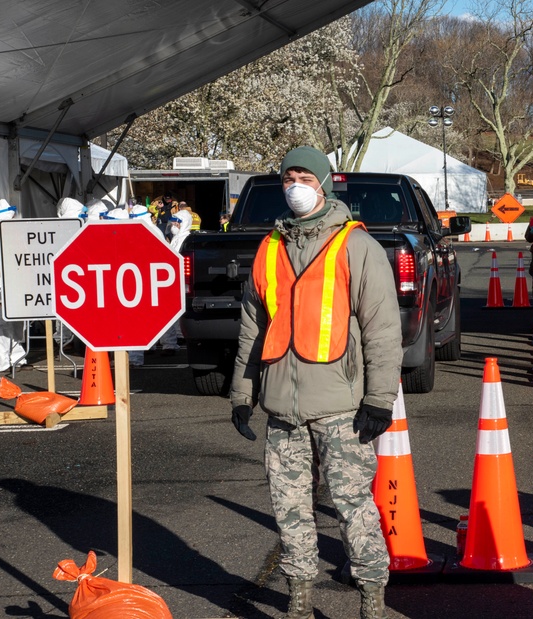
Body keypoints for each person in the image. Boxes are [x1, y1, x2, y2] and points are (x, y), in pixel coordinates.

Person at [228, 146, 401, 619]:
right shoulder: (268, 249)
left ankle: (372, 597)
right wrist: (242, 394)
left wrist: (380, 399)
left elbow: (382, 328)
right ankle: (298, 598)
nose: (295, 186)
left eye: (304, 176)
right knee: (289, 510)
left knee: (353, 506)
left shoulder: (356, 245)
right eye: (288, 178)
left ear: (324, 182)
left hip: (342, 406)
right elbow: (253, 328)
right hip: (281, 407)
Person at [0, 200, 28, 373]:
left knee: (12, 321)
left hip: (6, 282)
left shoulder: (4, 229)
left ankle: (15, 357)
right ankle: (0, 362)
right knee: (0, 323)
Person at [157, 210, 193, 356]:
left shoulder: (186, 239)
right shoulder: (176, 238)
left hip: (182, 282)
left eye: (176, 222)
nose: (173, 225)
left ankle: (174, 340)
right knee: (174, 313)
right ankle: (175, 338)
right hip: (175, 281)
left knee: (175, 312)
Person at [128, 204, 156, 367]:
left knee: (137, 322)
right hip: (138, 283)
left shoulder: (150, 232)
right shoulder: (141, 231)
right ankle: (145, 348)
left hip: (143, 283)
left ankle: (136, 358)